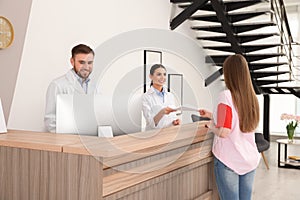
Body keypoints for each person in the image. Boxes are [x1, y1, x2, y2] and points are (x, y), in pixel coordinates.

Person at [199, 54, 260, 200]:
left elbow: (224, 132)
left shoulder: (225, 95)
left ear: (229, 73)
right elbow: (236, 120)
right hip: (249, 159)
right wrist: (213, 115)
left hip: (229, 161)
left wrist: (211, 126)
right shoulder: (251, 97)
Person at [44, 44, 98, 132]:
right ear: (72, 62)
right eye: (82, 62)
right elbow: (50, 121)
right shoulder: (57, 85)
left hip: (88, 138)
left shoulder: (94, 87)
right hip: (65, 141)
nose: (86, 67)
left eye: (90, 63)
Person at [142, 64, 180, 130]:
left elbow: (173, 116)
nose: (163, 77)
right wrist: (162, 112)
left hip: (169, 132)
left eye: (164, 74)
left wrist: (175, 121)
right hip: (153, 135)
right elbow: (151, 123)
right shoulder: (146, 97)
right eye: (159, 74)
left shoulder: (170, 95)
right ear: (151, 76)